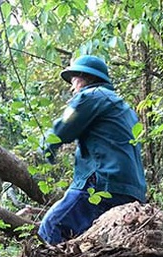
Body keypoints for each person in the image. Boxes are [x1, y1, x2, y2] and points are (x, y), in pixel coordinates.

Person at [38, 55, 147, 244]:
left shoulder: (91, 96)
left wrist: (45, 148)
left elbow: (62, 128)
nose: (73, 88)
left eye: (73, 82)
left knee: (51, 227)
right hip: (133, 192)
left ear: (83, 77)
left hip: (104, 182)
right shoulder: (125, 108)